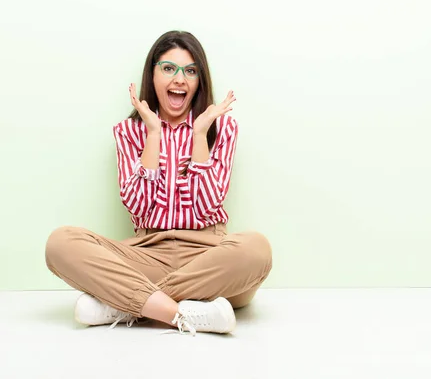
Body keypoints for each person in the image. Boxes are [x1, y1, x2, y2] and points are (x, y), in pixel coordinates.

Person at [45, 31, 273, 335]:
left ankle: (126, 304)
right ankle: (182, 313)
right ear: (152, 74)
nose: (179, 79)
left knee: (256, 249)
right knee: (60, 243)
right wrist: (152, 136)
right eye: (169, 68)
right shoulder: (129, 131)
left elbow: (207, 205)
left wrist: (199, 136)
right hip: (146, 253)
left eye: (190, 71)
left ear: (199, 81)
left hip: (210, 260)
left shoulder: (221, 127)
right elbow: (138, 207)